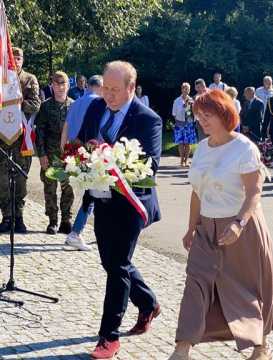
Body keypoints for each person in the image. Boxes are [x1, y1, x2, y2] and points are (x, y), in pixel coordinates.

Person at [168, 89, 273, 360]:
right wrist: (191, 227)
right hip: (207, 227)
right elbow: (197, 191)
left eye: (208, 115)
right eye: (199, 116)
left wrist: (239, 223)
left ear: (224, 114)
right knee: (195, 282)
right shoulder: (202, 148)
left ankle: (261, 345)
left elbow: (254, 193)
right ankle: (183, 347)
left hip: (242, 226)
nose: (202, 121)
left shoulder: (244, 148)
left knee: (246, 287)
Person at [76, 61, 162, 360]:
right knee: (112, 263)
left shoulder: (147, 119)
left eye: (114, 90)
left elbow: (150, 166)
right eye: (105, 89)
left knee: (118, 266)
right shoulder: (96, 108)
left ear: (130, 88)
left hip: (131, 203)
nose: (108, 95)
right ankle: (148, 303)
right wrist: (85, 156)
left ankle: (108, 337)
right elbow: (83, 143)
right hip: (101, 199)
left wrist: (111, 157)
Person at [0, 47, 41, 234]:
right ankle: (6, 216)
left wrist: (17, 101)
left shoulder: (29, 79)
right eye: (13, 57)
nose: (16, 61)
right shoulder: (1, 78)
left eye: (19, 58)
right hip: (2, 138)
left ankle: (19, 217)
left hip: (21, 139)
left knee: (21, 178)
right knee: (2, 179)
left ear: (23, 60)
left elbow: (35, 105)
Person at [60, 75, 103, 251]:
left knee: (93, 194)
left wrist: (63, 151)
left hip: (76, 153)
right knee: (95, 195)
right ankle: (76, 233)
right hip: (96, 152)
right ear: (100, 88)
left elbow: (66, 127)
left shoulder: (76, 102)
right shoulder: (100, 103)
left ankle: (79, 232)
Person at [35, 71, 74, 235]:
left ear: (68, 85)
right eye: (56, 84)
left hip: (68, 155)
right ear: (52, 86)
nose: (59, 87)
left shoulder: (74, 105)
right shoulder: (45, 106)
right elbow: (40, 133)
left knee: (68, 188)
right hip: (50, 154)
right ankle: (52, 221)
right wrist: (42, 155)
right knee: (50, 189)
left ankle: (66, 220)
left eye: (63, 83)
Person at [172, 82, 197, 167]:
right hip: (179, 123)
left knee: (188, 144)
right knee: (181, 143)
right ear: (181, 89)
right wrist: (179, 122)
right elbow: (174, 113)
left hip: (189, 124)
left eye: (187, 89)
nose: (186, 90)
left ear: (189, 90)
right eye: (184, 88)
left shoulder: (192, 101)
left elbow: (195, 113)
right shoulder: (177, 101)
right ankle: (181, 160)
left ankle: (186, 161)